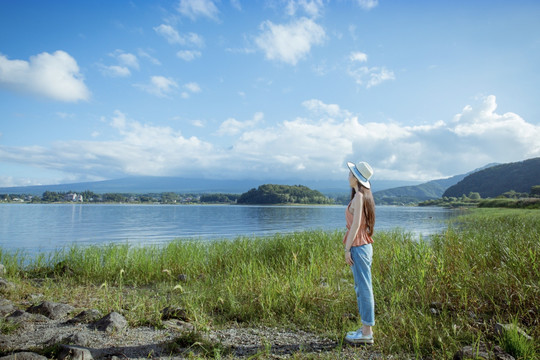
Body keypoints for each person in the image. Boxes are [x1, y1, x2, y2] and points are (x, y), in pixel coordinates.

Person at [343, 161, 376, 345]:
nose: (348, 176)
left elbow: (355, 226)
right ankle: (365, 329)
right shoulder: (363, 196)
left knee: (363, 288)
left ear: (356, 178)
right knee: (363, 287)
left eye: (350, 174)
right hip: (363, 245)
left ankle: (366, 333)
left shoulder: (359, 198)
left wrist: (347, 249)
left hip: (358, 246)